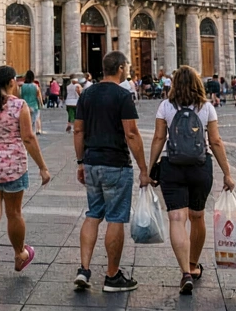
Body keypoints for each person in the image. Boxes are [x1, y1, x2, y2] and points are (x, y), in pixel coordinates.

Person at [147, 65, 234, 295]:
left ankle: (185, 272)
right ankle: (194, 265)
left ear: (174, 84)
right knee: (197, 217)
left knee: (177, 218)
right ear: (197, 84)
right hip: (200, 166)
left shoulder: (165, 106)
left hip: (171, 166)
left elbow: (158, 137)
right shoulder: (206, 107)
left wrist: (148, 169)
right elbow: (215, 141)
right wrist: (227, 172)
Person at [73, 51, 150, 293]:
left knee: (93, 214)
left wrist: (80, 162)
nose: (127, 70)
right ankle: (112, 275)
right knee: (115, 218)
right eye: (126, 66)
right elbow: (131, 133)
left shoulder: (86, 94)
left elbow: (78, 131)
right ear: (119, 68)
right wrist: (143, 168)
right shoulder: (122, 95)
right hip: (115, 163)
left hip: (92, 162)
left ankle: (84, 270)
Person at [0, 66, 51, 284]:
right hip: (13, 165)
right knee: (14, 213)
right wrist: (42, 167)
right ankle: (20, 254)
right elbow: (28, 137)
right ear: (12, 82)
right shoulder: (18, 105)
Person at [20, 70, 44, 136]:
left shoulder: (23, 86)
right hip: (34, 105)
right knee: (36, 117)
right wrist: (41, 103)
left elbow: (21, 96)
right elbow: (39, 96)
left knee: (28, 119)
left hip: (26, 105)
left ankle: (28, 130)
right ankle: (38, 130)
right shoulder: (35, 86)